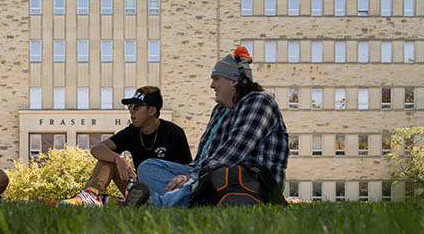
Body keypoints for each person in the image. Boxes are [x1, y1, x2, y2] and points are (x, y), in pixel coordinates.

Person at [130, 47, 289, 207]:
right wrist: (187, 176)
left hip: (252, 180)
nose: (212, 86)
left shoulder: (258, 102)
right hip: (211, 173)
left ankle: (156, 203)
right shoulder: (220, 110)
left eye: (216, 79)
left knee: (212, 176)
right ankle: (188, 198)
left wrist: (192, 178)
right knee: (148, 167)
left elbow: (233, 154)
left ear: (234, 81)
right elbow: (201, 160)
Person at [60, 86, 192, 206]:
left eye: (136, 107)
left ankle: (121, 203)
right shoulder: (132, 131)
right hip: (139, 189)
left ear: (152, 110)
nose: (131, 112)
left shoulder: (174, 132)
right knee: (108, 159)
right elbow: (97, 149)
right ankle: (91, 195)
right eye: (130, 107)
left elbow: (186, 172)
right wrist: (118, 159)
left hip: (166, 189)